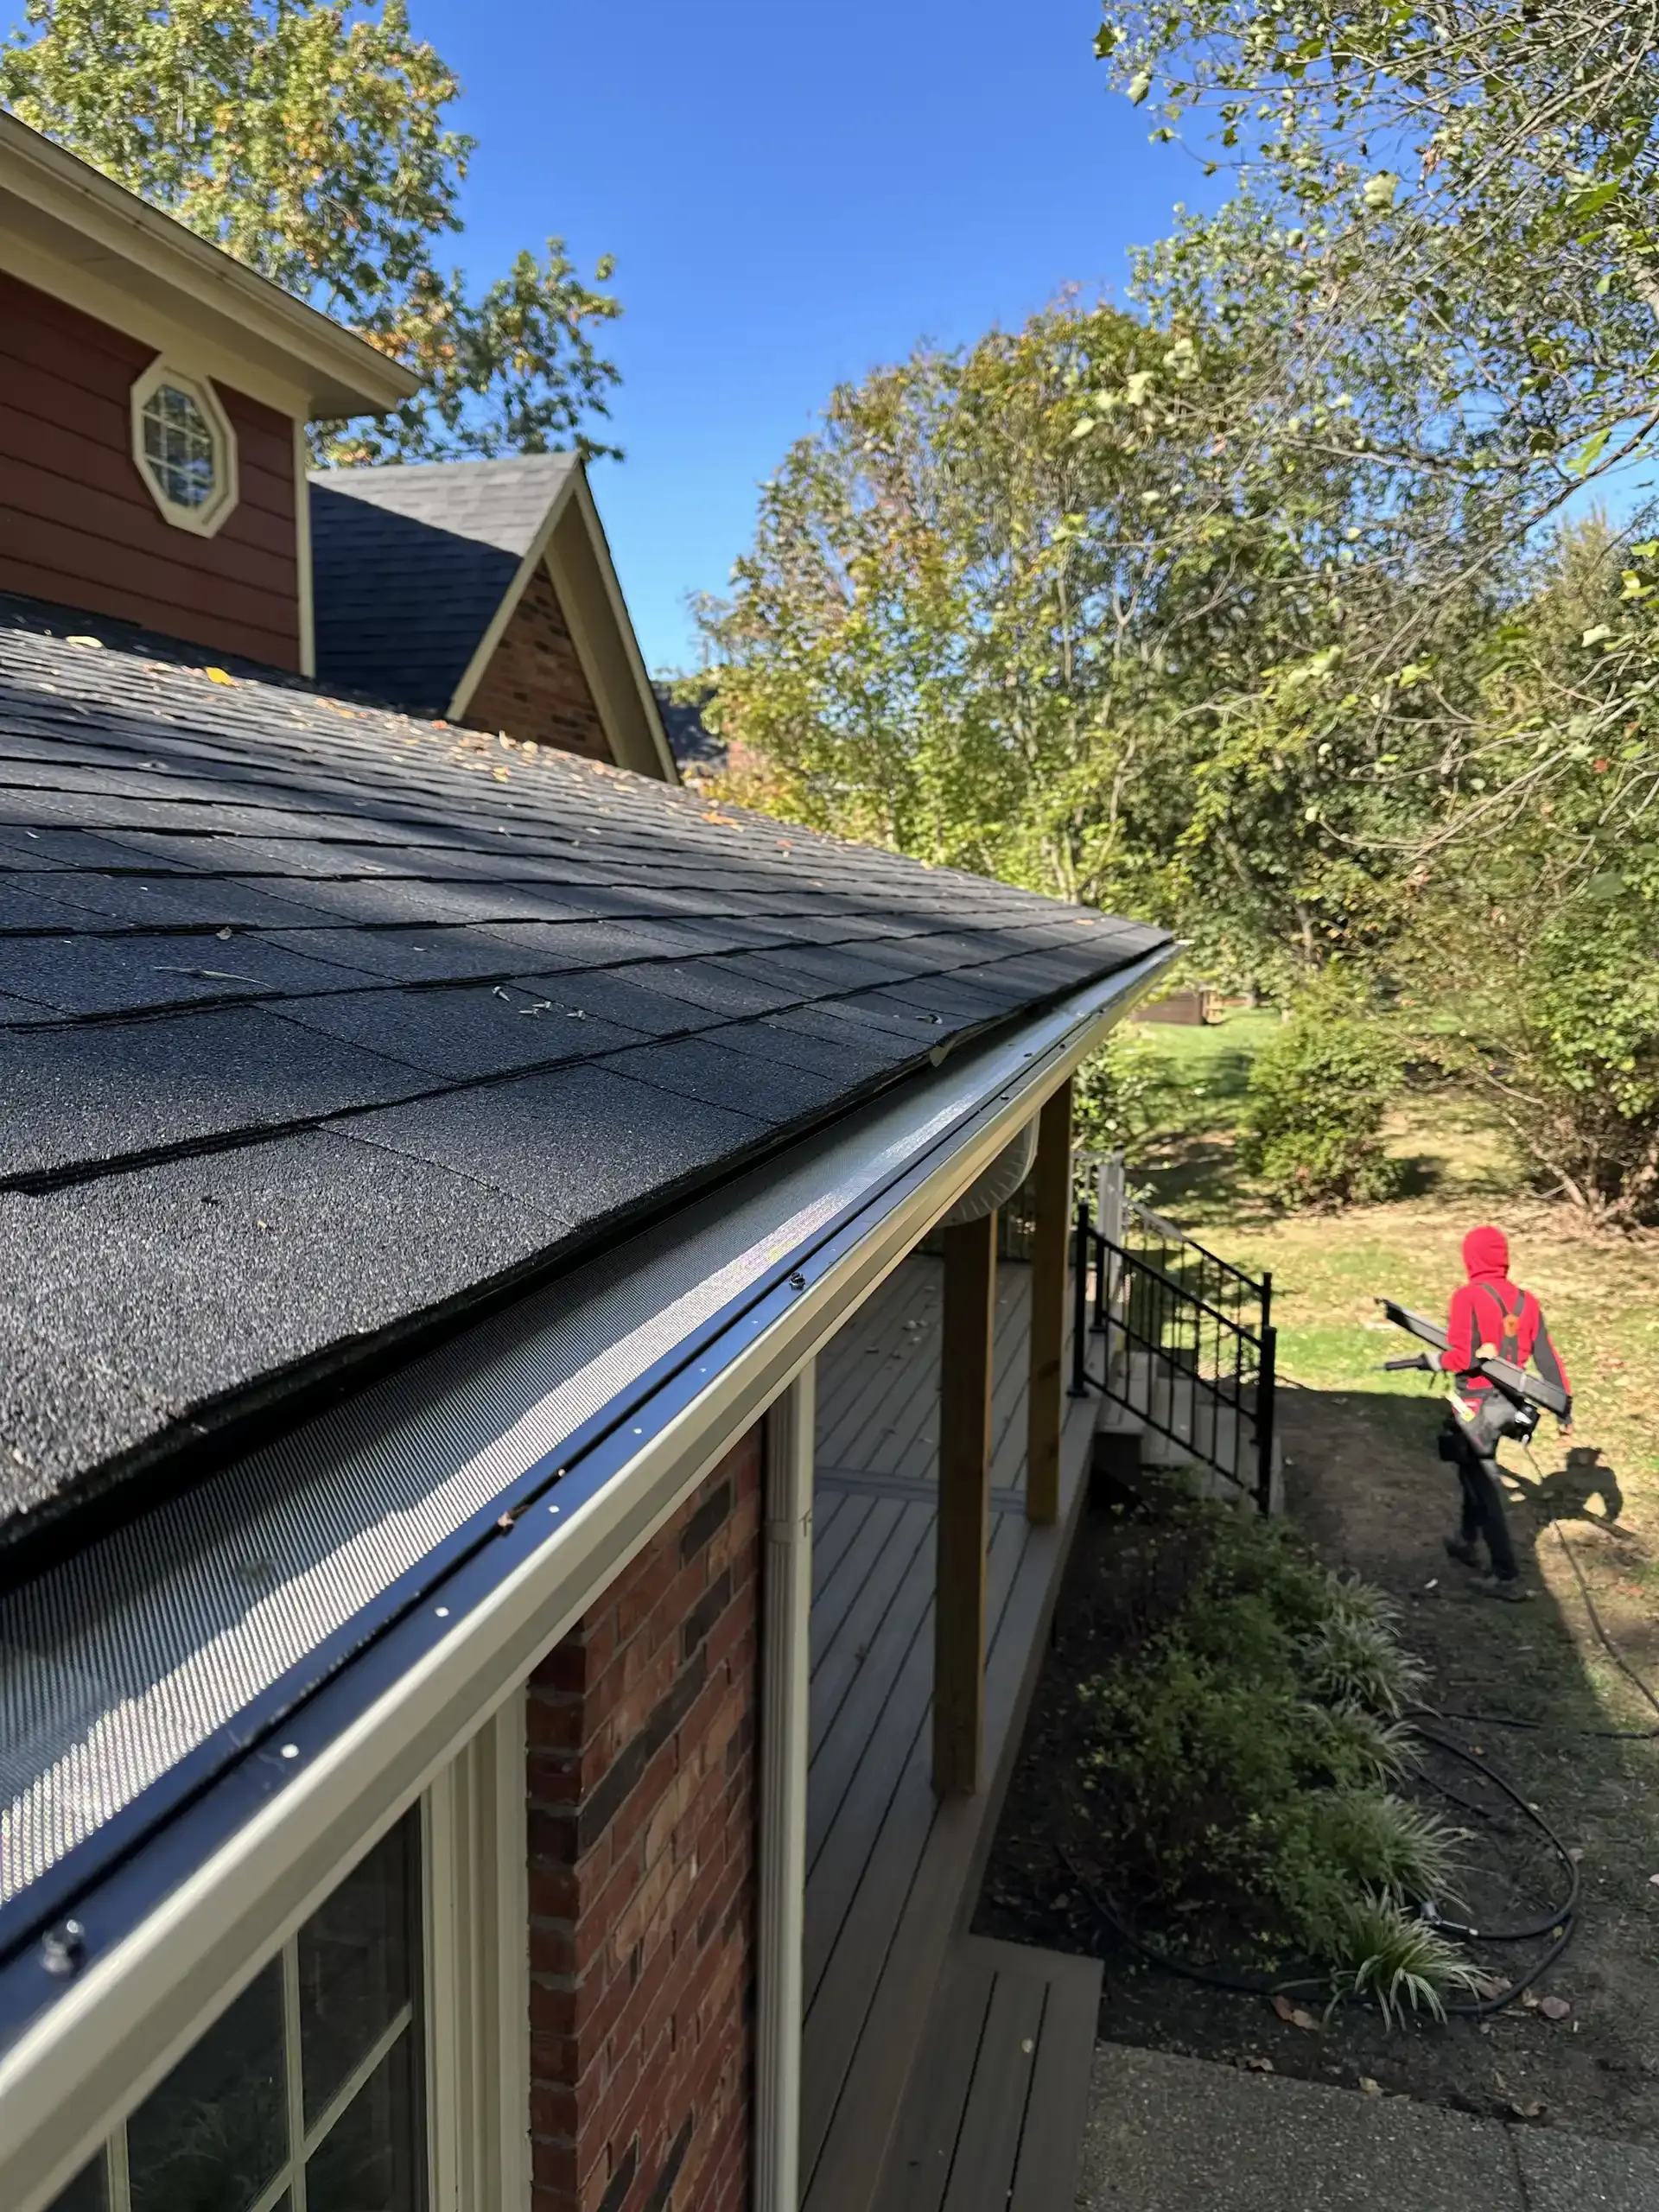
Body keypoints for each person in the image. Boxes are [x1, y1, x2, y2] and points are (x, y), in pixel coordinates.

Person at [1439, 1224, 1573, 1601]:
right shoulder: (1527, 1302)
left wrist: (1434, 1360)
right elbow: (1546, 1356)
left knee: (1483, 1483)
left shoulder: (1467, 1297)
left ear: (1472, 1258)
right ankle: (1466, 1541)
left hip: (1475, 1405)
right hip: (1508, 1405)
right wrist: (1565, 1405)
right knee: (1473, 1467)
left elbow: (1462, 1357)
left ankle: (1506, 1575)